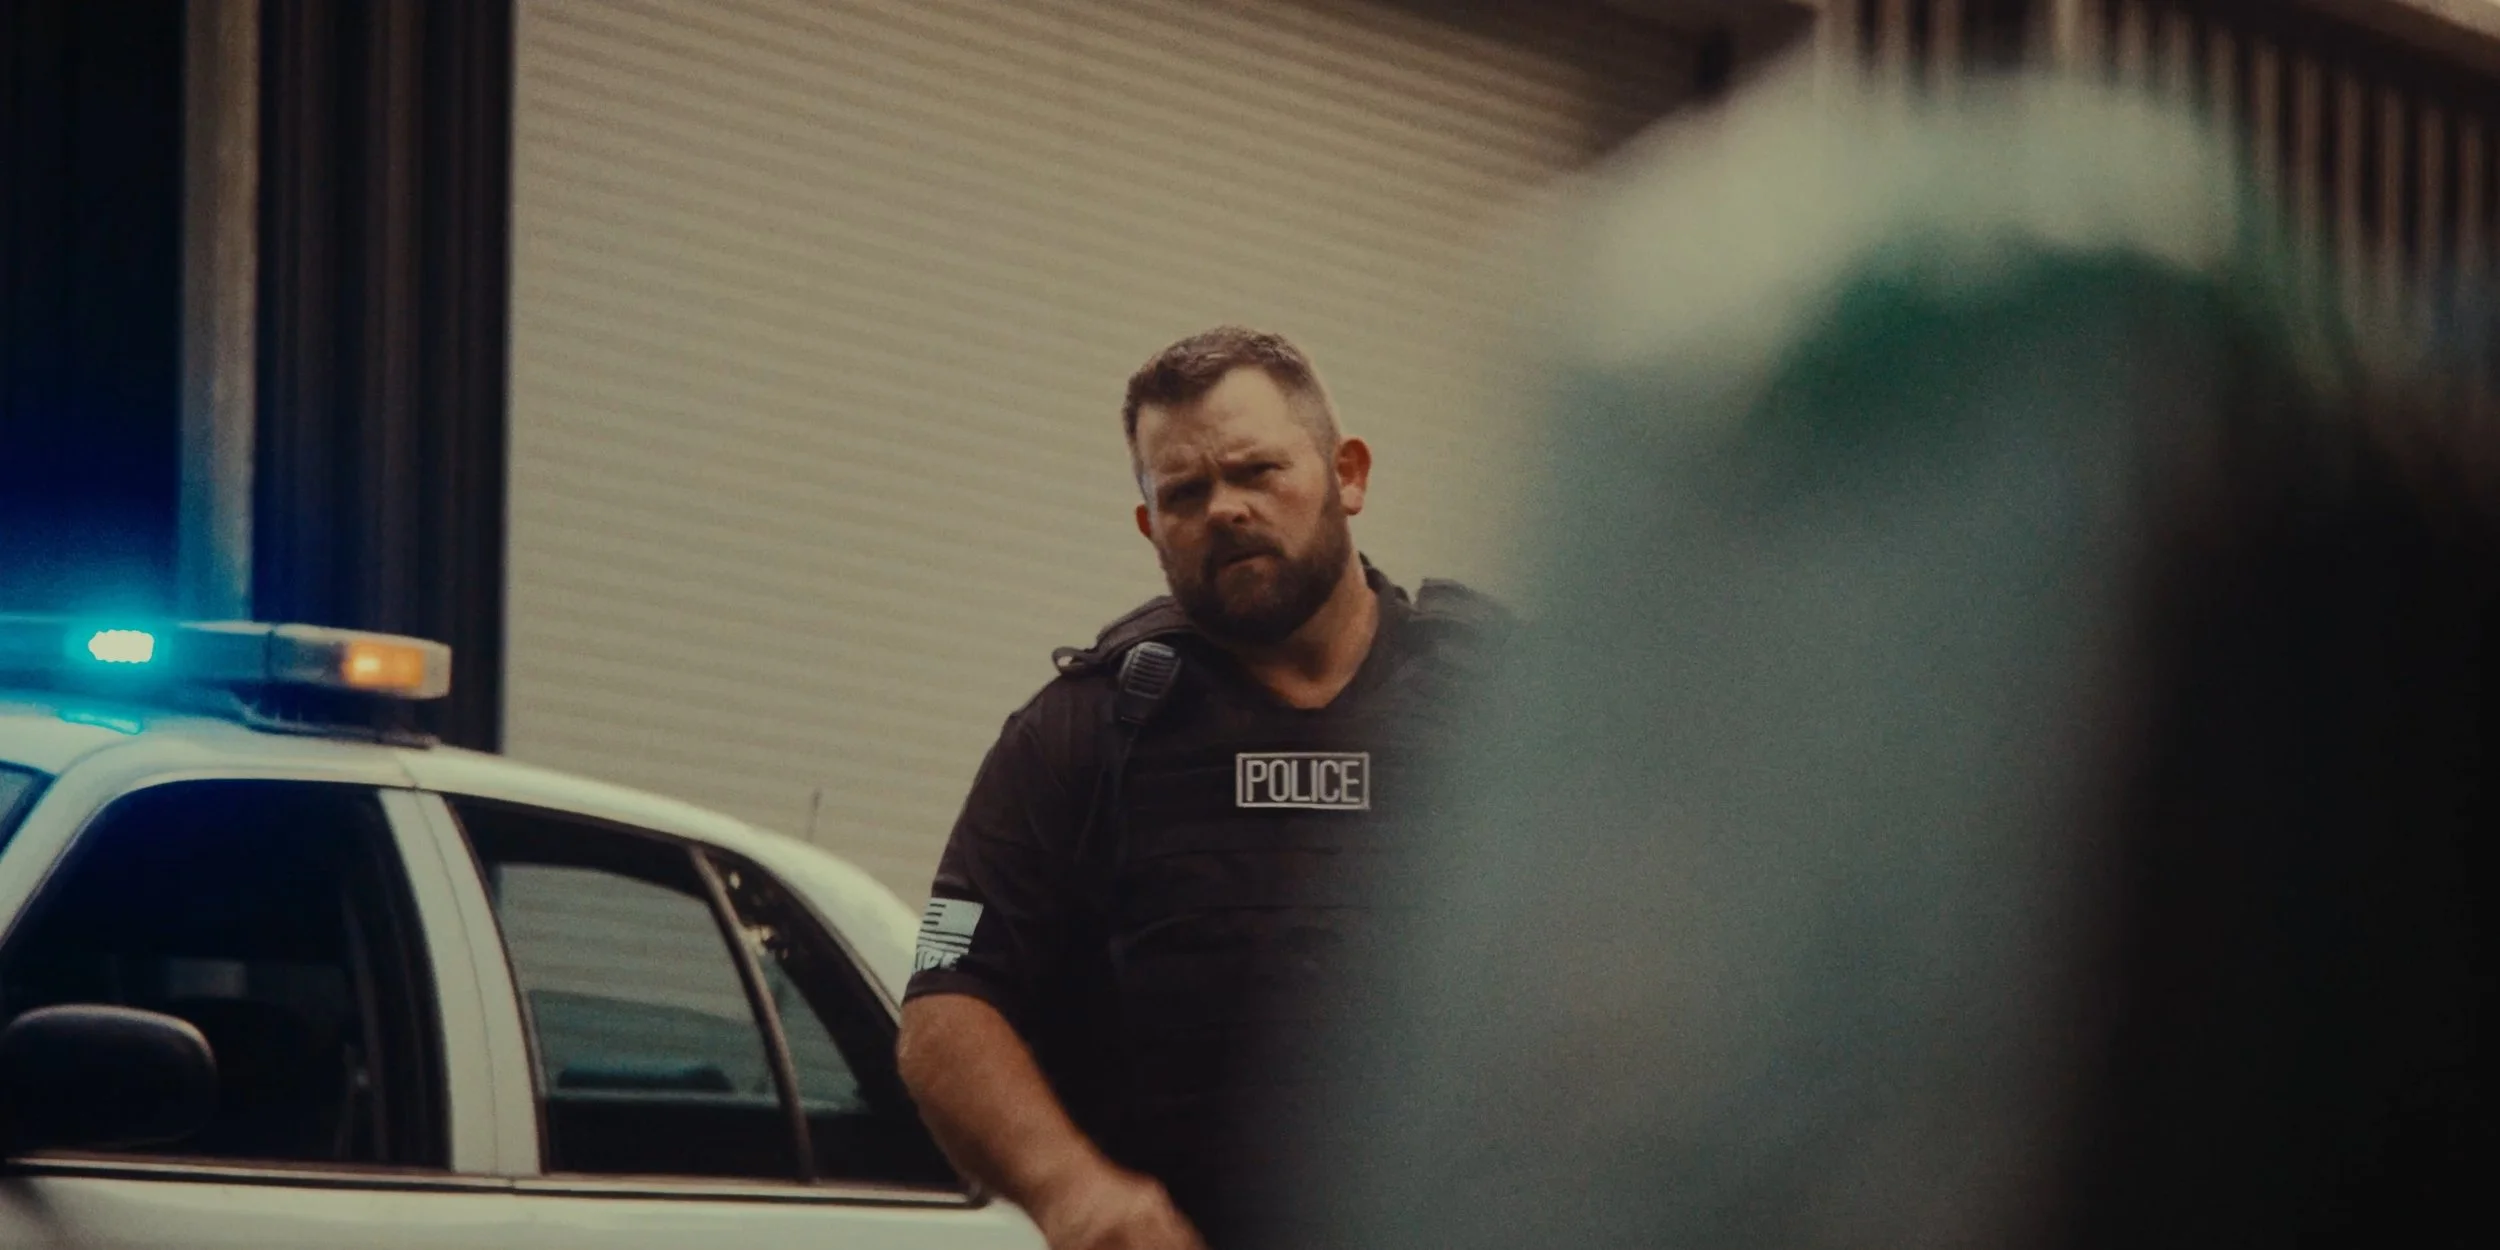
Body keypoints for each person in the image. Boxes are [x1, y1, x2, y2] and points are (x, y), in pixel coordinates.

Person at [895, 326, 1510, 1250]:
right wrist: (1073, 1190)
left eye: (1257, 472)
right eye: (1185, 491)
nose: (1225, 509)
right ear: (1151, 526)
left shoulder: (1511, 711)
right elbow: (944, 1004)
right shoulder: (1079, 733)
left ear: (1348, 474)